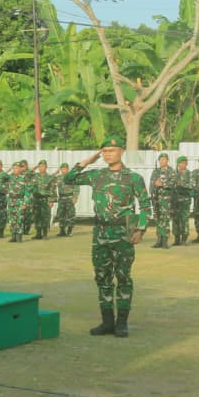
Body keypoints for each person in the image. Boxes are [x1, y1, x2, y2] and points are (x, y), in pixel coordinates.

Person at [63, 137, 150, 338]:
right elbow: (68, 179)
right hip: (101, 234)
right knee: (102, 277)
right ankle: (107, 321)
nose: (108, 154)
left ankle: (122, 323)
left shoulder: (133, 178)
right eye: (105, 151)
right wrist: (87, 161)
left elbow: (145, 205)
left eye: (112, 150)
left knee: (123, 277)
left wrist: (140, 230)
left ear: (121, 152)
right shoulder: (96, 175)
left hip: (122, 235)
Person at [149, 153, 176, 249]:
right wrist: (152, 195)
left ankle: (165, 240)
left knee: (165, 219)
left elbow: (173, 184)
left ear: (167, 160)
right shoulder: (155, 172)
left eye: (164, 159)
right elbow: (151, 184)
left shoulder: (171, 171)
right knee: (158, 219)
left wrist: (162, 184)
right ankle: (159, 239)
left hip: (166, 200)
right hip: (156, 199)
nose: (162, 161)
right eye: (160, 160)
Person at [53, 163, 78, 236]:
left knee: (71, 214)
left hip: (70, 197)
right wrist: (55, 173)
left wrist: (75, 197)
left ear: (67, 169)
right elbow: (50, 180)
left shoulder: (71, 177)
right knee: (61, 214)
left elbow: (76, 187)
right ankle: (62, 231)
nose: (64, 170)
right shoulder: (58, 177)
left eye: (65, 169)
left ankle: (70, 231)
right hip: (61, 198)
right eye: (62, 169)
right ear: (60, 169)